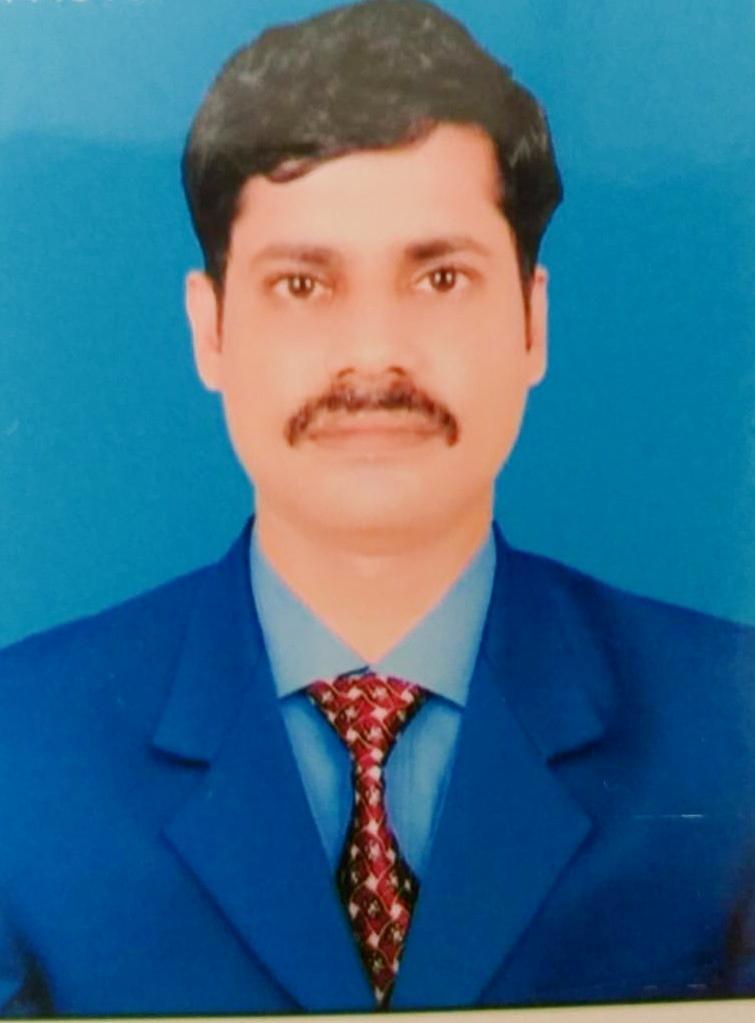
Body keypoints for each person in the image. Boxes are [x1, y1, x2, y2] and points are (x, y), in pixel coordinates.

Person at [1, 0, 754, 1016]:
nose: (372, 355)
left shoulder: (730, 726)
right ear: (209, 331)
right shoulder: (19, 749)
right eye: (301, 285)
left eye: (439, 277)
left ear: (531, 322)